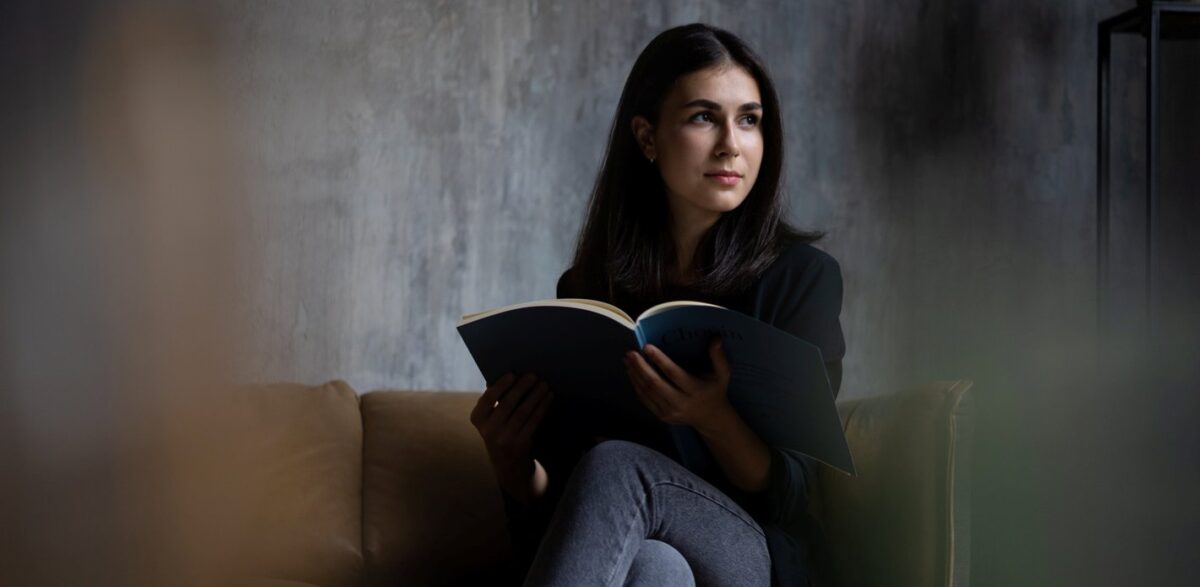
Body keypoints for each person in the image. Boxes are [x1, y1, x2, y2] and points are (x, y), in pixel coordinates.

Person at [469, 23, 845, 587]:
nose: (731, 144)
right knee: (654, 567)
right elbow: (578, 504)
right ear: (646, 138)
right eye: (703, 117)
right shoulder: (591, 287)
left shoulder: (801, 279)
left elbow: (793, 493)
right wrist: (515, 468)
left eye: (749, 119)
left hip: (757, 556)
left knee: (619, 466)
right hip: (654, 554)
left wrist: (712, 418)